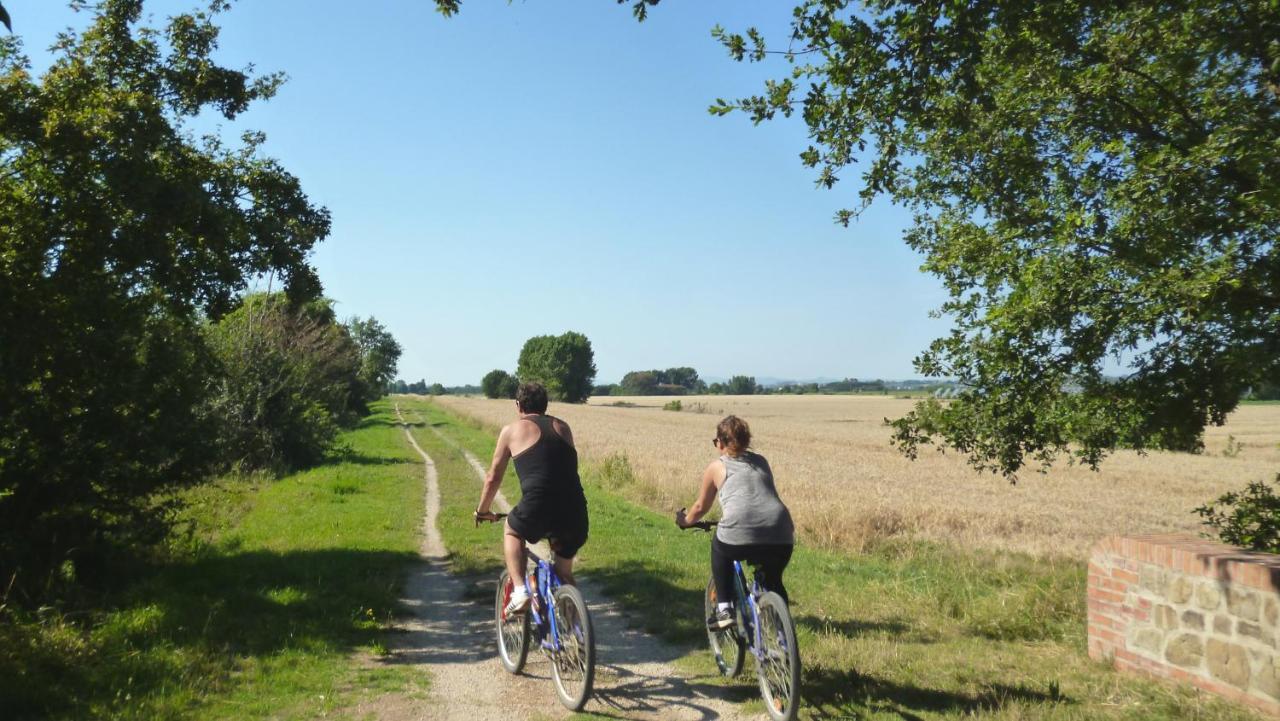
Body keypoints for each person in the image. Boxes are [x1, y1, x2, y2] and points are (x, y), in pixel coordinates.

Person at [475, 382, 589, 616]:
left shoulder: (512, 430)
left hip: (539, 503)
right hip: (575, 508)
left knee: (512, 529)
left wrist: (482, 510)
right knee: (564, 574)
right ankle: (579, 635)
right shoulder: (563, 427)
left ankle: (519, 591)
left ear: (518, 405)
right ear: (545, 405)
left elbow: (492, 477)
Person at [676, 415, 795, 630]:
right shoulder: (761, 461)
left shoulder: (717, 467)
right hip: (781, 530)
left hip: (739, 529)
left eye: (716, 442)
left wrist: (684, 521)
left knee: (719, 548)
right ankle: (784, 641)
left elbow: (700, 508)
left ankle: (724, 608)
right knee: (774, 582)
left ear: (720, 443)